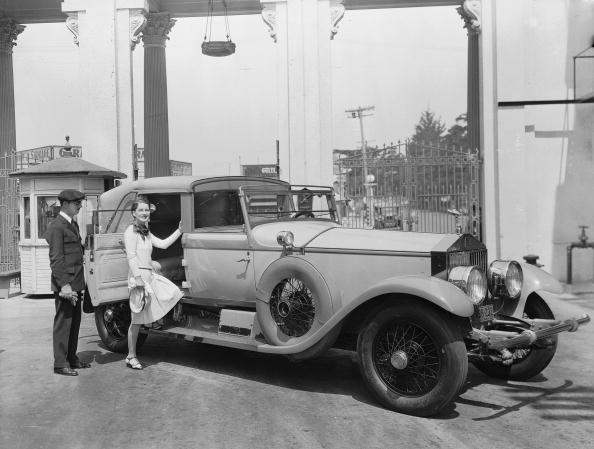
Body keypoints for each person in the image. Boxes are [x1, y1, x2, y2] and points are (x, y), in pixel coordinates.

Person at [124, 199, 183, 370]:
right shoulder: (130, 232)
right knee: (136, 320)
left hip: (149, 275)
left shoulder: (146, 232)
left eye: (146, 210)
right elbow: (131, 257)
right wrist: (138, 279)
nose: (144, 213)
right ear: (133, 213)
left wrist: (179, 230)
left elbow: (163, 244)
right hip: (138, 278)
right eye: (141, 210)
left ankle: (153, 322)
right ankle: (131, 355)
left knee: (172, 292)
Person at [45, 189, 91, 376]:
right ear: (65, 204)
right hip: (66, 285)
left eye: (80, 203)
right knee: (64, 324)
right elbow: (56, 259)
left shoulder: (72, 224)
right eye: (76, 203)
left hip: (76, 283)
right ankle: (60, 363)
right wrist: (64, 285)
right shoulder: (57, 226)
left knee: (74, 323)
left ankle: (71, 358)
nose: (79, 206)